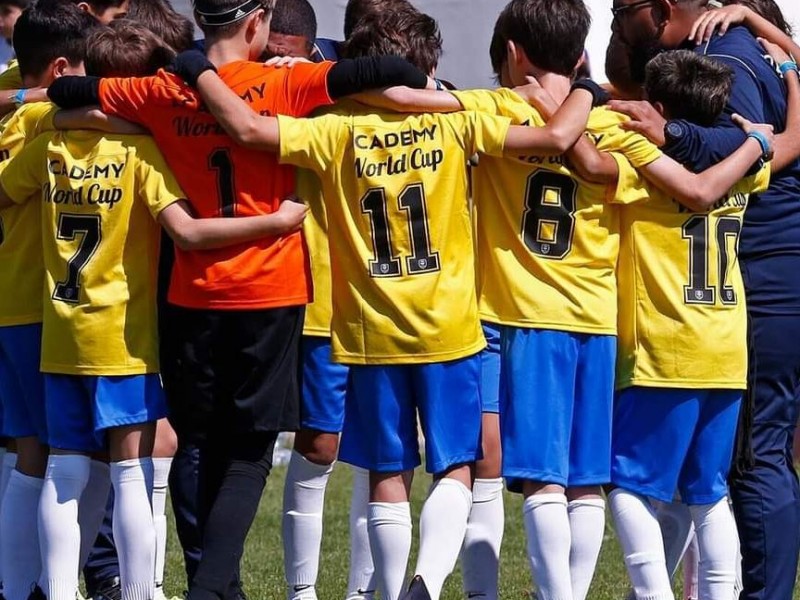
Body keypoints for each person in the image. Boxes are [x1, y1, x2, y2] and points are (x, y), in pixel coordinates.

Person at [170, 15, 610, 598]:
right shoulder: (459, 117)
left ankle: (389, 588)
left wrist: (202, 68)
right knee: (456, 466)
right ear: (430, 67)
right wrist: (587, 87)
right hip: (449, 327)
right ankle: (427, 579)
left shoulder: (331, 126)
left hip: (370, 330)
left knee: (387, 473)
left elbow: (247, 129)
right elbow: (556, 139)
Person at [46, 1, 435, 597]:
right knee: (249, 453)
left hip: (193, 292)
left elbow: (67, 90)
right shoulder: (286, 83)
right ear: (256, 22)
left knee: (198, 444)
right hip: (269, 289)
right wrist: (304, 68)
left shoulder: (162, 90)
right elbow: (394, 71)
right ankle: (211, 587)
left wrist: (143, 115)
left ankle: (216, 582)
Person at [609, 2, 800, 598]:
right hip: (726, 347)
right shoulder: (746, 165)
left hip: (668, 349)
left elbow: (692, 188)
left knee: (631, 487)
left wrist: (603, 109)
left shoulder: (646, 159)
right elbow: (787, 142)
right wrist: (783, 85)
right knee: (710, 492)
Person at [0, 4, 99, 600]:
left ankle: (18, 589)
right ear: (61, 69)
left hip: (11, 303)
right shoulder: (48, 121)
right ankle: (44, 587)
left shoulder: (16, 109)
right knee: (68, 456)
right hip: (43, 307)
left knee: (29, 453)